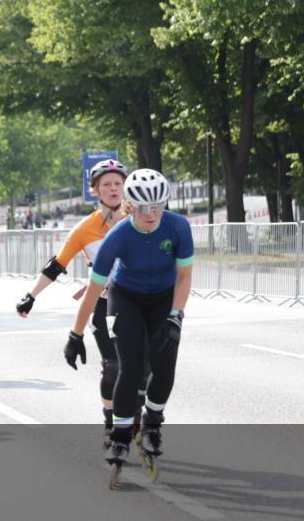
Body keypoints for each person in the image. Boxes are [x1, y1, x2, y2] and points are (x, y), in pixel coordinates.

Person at [64, 169, 194, 477]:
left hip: (163, 298)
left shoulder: (178, 227)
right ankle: (120, 436)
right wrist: (75, 334)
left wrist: (176, 316)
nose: (151, 214)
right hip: (126, 297)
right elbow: (94, 291)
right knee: (130, 368)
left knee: (164, 367)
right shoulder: (118, 236)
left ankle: (153, 424)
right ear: (130, 205)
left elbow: (185, 277)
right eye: (143, 207)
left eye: (158, 206)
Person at [16, 159, 134, 448]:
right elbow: (57, 265)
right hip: (104, 303)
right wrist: (31, 296)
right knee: (114, 366)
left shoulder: (139, 218)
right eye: (106, 184)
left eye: (118, 183)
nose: (114, 189)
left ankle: (141, 417)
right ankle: (110, 418)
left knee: (143, 368)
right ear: (95, 191)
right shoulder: (84, 229)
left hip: (138, 301)